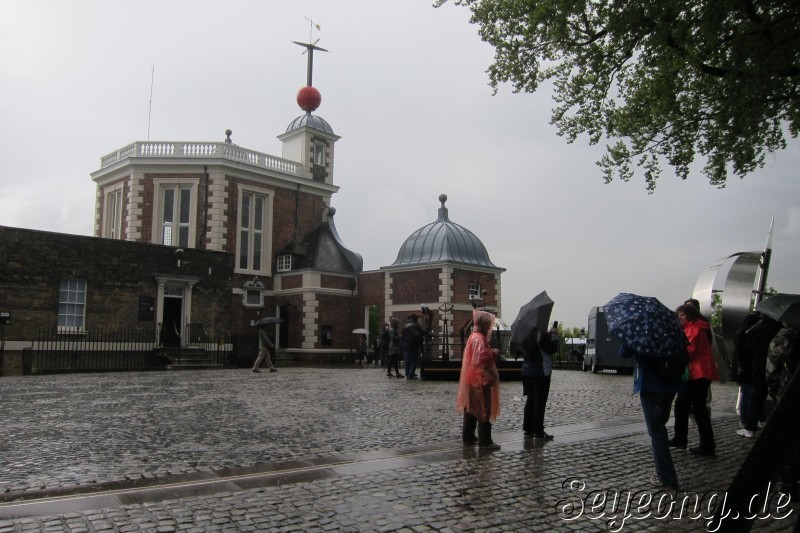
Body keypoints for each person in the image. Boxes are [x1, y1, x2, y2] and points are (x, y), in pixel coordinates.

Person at [620, 344, 681, 490]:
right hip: (670, 386)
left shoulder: (642, 333)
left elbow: (623, 352)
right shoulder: (669, 330)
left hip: (651, 386)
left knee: (657, 433)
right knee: (660, 427)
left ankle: (667, 477)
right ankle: (666, 475)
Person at [669, 303, 718, 456]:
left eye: (682, 315)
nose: (680, 318)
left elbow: (687, 352)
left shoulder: (693, 330)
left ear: (689, 315)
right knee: (689, 407)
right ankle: (684, 439)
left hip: (697, 374)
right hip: (700, 373)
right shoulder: (699, 328)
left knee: (695, 409)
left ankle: (703, 444)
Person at [456, 309, 501, 450]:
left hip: (471, 378)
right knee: (483, 409)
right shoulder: (480, 339)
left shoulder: (472, 337)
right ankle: (485, 440)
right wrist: (493, 353)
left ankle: (468, 436)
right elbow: (480, 358)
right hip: (480, 380)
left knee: (470, 408)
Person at [766, 320, 800, 496]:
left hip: (788, 392)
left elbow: (772, 367)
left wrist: (773, 390)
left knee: (786, 440)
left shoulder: (784, 337)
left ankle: (790, 483)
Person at [733, 312, 781, 437]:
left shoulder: (759, 331)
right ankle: (761, 421)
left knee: (753, 398)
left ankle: (749, 426)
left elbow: (748, 351)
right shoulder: (780, 330)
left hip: (759, 369)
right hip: (777, 370)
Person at [518, 322, 559, 440]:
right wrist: (554, 336)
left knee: (530, 399)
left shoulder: (525, 334)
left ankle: (528, 429)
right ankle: (538, 431)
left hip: (527, 371)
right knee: (540, 401)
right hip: (541, 372)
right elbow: (551, 349)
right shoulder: (540, 334)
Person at [402, 314, 425, 379]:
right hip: (413, 345)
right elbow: (422, 333)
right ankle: (411, 374)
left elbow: (403, 336)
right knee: (414, 360)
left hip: (405, 345)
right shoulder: (416, 326)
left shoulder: (405, 326)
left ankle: (407, 373)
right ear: (416, 319)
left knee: (407, 361)